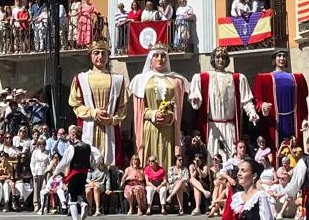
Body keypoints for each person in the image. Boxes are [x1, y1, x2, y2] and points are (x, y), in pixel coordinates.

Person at [68, 42, 129, 169]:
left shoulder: (118, 79)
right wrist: (93, 112)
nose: (100, 56)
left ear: (108, 56)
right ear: (90, 56)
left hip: (110, 128)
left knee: (110, 163)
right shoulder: (81, 78)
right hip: (88, 125)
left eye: (103, 53)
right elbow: (75, 104)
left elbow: (123, 106)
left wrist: (113, 119)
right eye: (96, 53)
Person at [189, 48, 256, 158]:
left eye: (224, 57)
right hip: (212, 128)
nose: (221, 60)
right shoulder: (203, 78)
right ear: (213, 59)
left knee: (231, 157)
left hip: (230, 126)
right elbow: (196, 102)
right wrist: (195, 99)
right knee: (213, 158)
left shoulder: (238, 78)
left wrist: (252, 113)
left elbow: (246, 100)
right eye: (218, 57)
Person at [131, 44, 186, 172]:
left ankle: (167, 183)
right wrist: (153, 114)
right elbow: (139, 110)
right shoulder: (141, 80)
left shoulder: (176, 80)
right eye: (156, 55)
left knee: (167, 157)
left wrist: (170, 116)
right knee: (149, 157)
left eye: (163, 56)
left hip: (168, 128)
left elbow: (177, 107)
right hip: (149, 126)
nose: (160, 59)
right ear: (151, 59)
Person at [252, 51, 308, 147]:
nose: (282, 58)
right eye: (279, 56)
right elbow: (257, 99)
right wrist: (262, 105)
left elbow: (302, 101)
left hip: (293, 120)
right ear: (274, 60)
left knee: (294, 149)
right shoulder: (264, 78)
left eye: (284, 56)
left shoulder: (297, 78)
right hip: (274, 121)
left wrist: (304, 119)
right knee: (275, 150)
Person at [52, 124, 98, 220]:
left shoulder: (72, 148)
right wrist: (93, 166)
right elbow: (97, 156)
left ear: (73, 135)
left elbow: (64, 162)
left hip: (75, 173)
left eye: (71, 135)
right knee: (77, 194)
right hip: (84, 174)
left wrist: (55, 172)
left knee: (72, 199)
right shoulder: (88, 146)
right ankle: (83, 203)